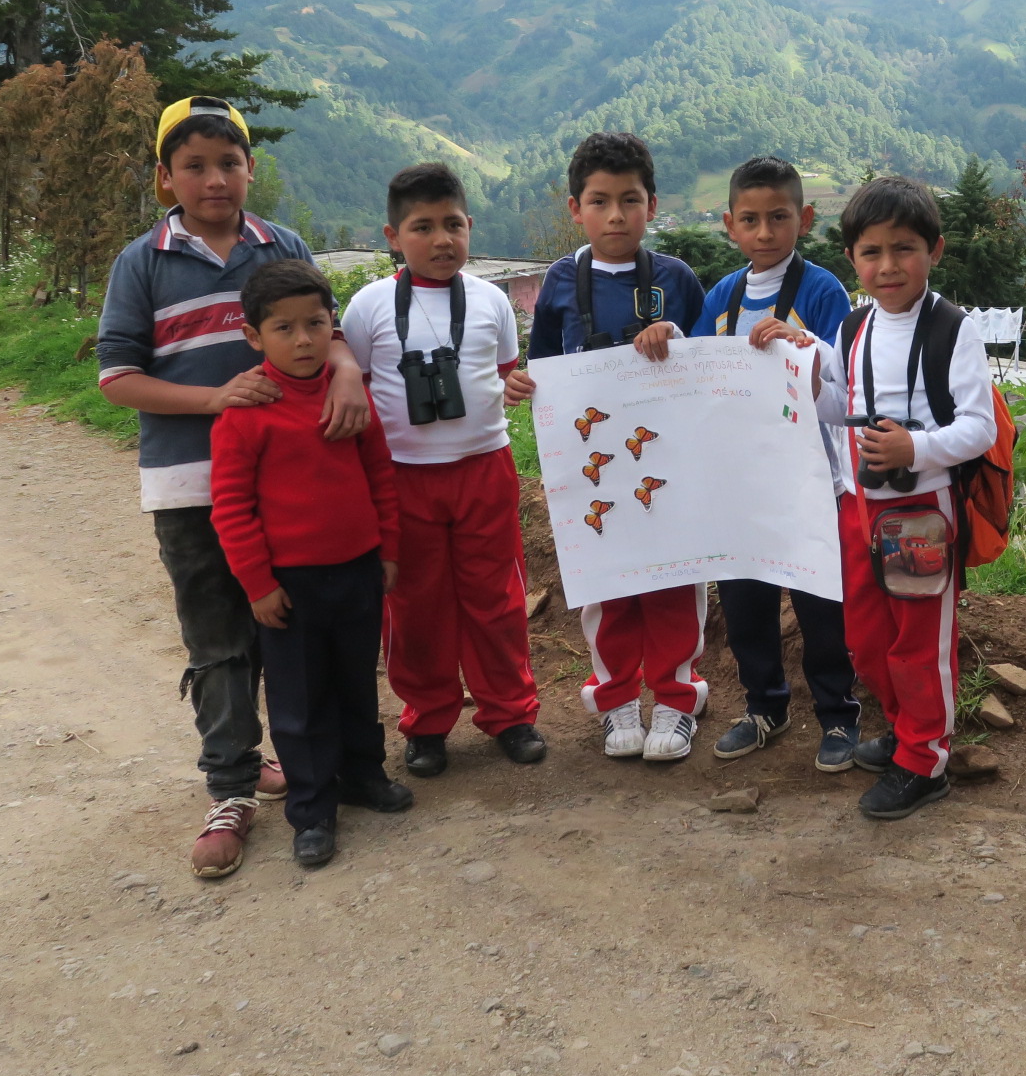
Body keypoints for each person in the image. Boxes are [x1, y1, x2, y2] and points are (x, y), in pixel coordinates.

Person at [96, 96, 372, 880]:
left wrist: (346, 372)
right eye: (194, 166)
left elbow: (330, 329)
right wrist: (215, 399)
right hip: (190, 484)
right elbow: (118, 378)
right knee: (219, 637)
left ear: (251, 169)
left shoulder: (281, 245)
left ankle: (308, 766)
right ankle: (231, 787)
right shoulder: (142, 262)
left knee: (286, 632)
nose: (214, 180)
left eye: (229, 163)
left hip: (292, 489)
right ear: (165, 177)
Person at [341, 162, 546, 779]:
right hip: (402, 476)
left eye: (453, 225)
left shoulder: (491, 300)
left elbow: (504, 370)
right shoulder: (369, 306)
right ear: (392, 236)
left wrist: (516, 387)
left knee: (497, 598)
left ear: (470, 225)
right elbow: (354, 382)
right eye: (422, 227)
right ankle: (427, 721)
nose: (441, 240)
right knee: (415, 603)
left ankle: (510, 713)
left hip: (484, 467)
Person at [508, 132, 707, 760]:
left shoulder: (676, 278)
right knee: (606, 584)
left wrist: (676, 336)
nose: (615, 215)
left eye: (629, 200)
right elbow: (545, 366)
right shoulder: (560, 281)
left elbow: (711, 361)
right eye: (599, 201)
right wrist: (522, 384)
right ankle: (616, 698)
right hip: (592, 463)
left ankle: (677, 700)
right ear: (576, 208)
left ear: (652, 205)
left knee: (676, 581)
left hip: (666, 459)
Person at [210, 259, 414, 868]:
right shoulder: (246, 414)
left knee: (356, 683)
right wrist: (257, 584)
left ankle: (363, 776)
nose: (303, 340)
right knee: (300, 702)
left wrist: (388, 550)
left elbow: (380, 475)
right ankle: (312, 809)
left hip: (358, 571)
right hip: (289, 587)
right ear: (254, 336)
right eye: (284, 328)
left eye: (316, 324)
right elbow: (231, 508)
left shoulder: (350, 397)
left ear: (333, 326)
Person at [826, 176, 996, 820]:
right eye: (871, 252)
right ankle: (903, 729)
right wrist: (793, 361)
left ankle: (925, 760)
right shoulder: (853, 326)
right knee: (867, 636)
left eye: (904, 248)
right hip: (858, 507)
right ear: (852, 258)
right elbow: (836, 404)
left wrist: (914, 450)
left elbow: (979, 428)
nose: (888, 266)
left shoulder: (954, 329)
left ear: (935, 250)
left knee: (920, 640)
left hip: (921, 513)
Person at [685, 156, 861, 771]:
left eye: (779, 218)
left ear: (804, 219)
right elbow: (696, 371)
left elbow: (843, 374)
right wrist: (665, 342)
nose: (765, 232)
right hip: (741, 482)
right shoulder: (722, 296)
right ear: (729, 224)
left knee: (821, 607)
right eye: (751, 220)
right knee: (744, 606)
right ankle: (765, 706)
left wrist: (799, 344)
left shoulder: (822, 289)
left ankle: (838, 714)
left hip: (809, 480)